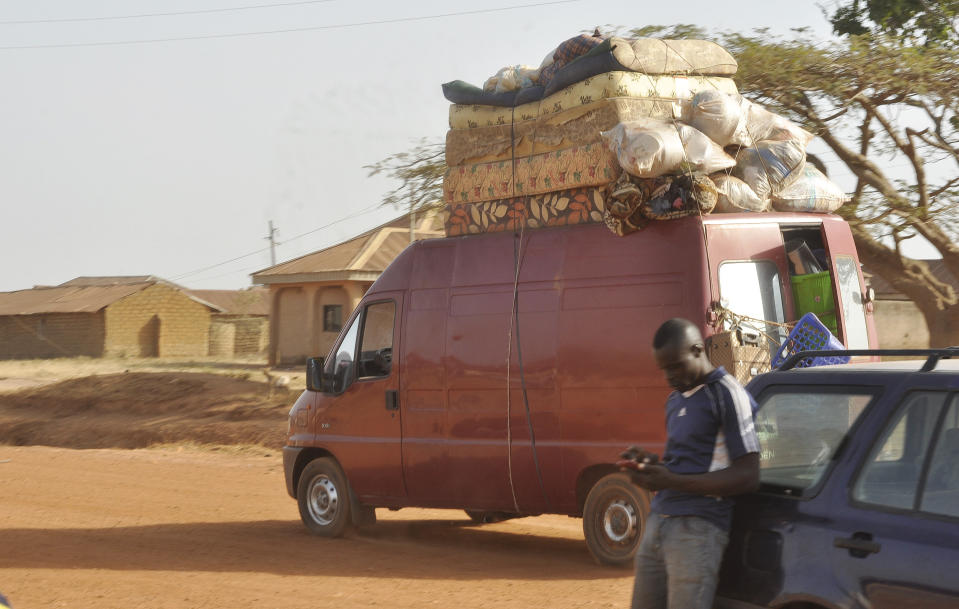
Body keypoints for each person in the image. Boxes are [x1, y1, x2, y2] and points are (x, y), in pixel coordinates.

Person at [624, 318, 760, 609]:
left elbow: (748, 475)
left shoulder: (727, 394)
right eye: (664, 369)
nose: (669, 376)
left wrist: (670, 480)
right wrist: (649, 464)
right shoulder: (675, 399)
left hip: (698, 528)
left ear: (698, 350)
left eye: (675, 366)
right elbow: (686, 462)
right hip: (659, 520)